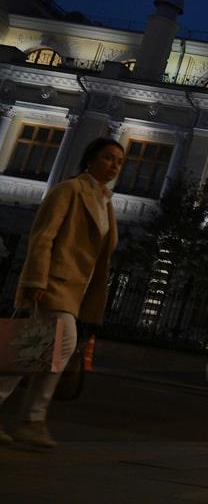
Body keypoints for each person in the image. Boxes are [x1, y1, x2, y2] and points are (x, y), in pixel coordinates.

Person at [0, 137, 125, 449]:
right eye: (108, 157)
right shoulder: (69, 189)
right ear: (90, 159)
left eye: (119, 162)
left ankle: (32, 420)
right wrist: (35, 280)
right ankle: (33, 419)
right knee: (57, 344)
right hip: (55, 283)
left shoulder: (106, 203)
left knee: (35, 350)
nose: (114, 165)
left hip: (76, 289)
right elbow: (44, 236)